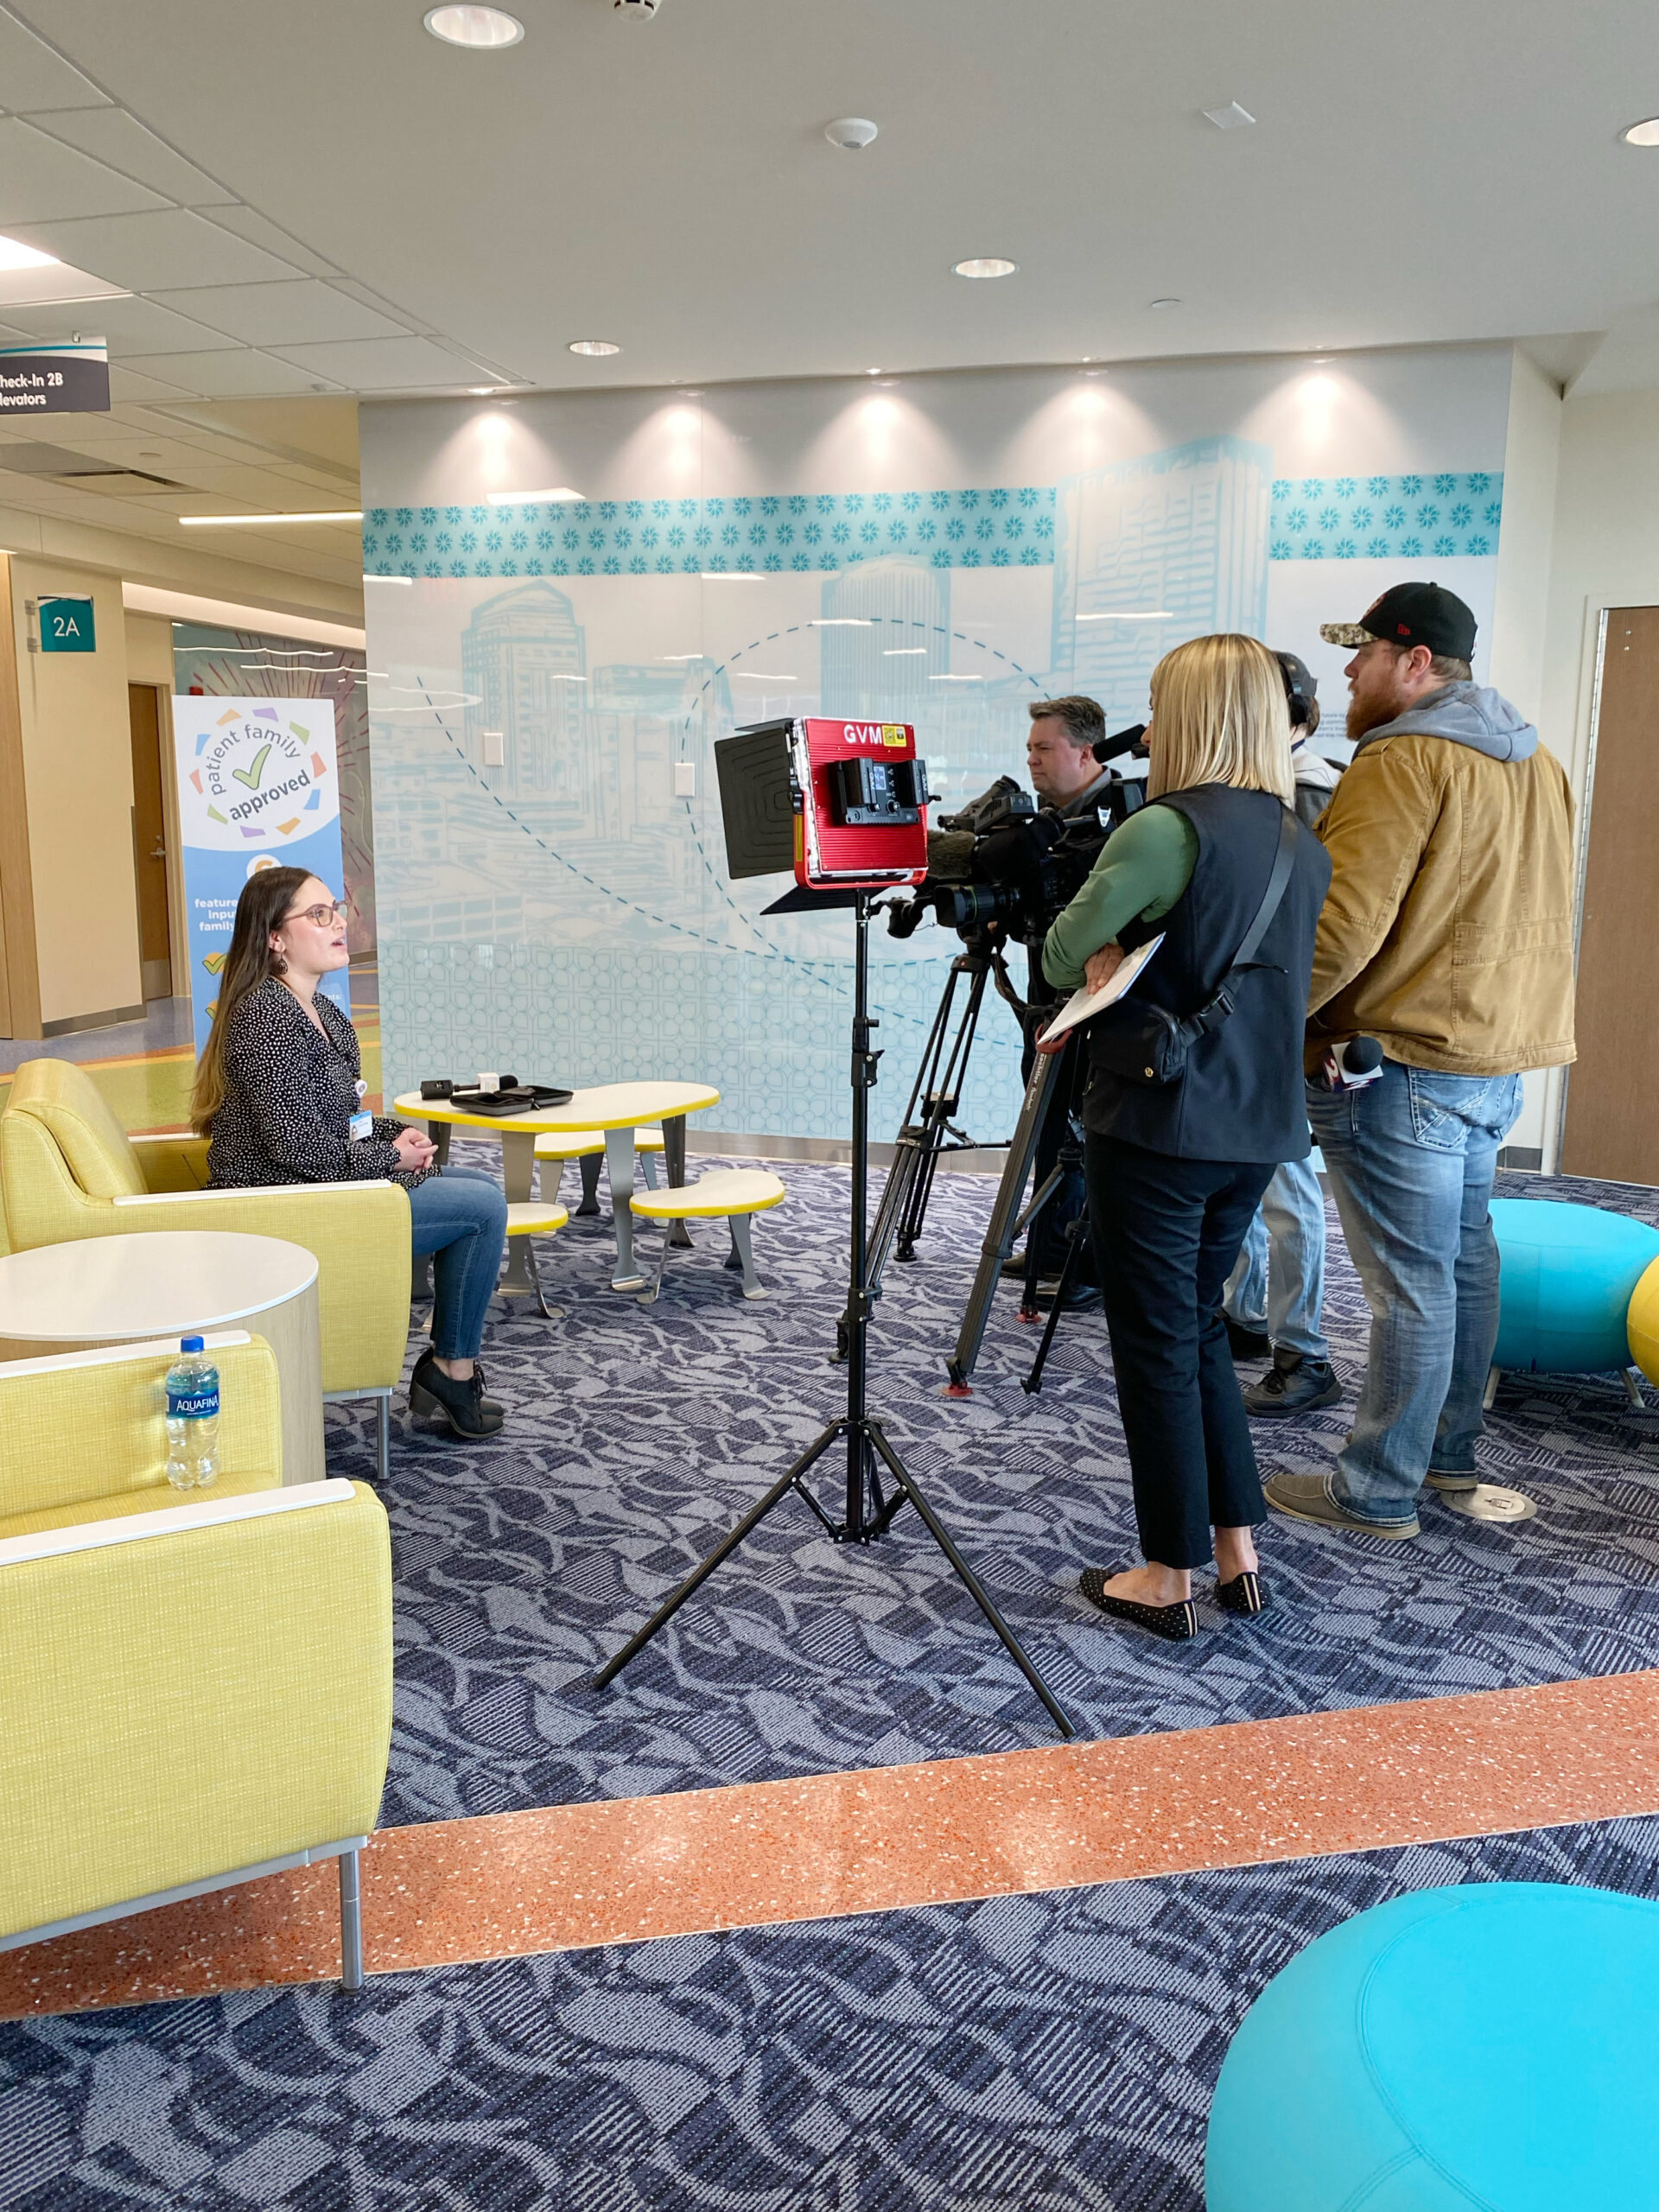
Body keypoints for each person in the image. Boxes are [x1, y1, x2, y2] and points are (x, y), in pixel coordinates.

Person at [1262, 582, 1576, 1539]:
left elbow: (1344, 925)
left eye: (1362, 654)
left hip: (1399, 1063)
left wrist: (1264, 1020)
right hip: (1495, 1058)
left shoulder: (1402, 760)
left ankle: (1377, 1488)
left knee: (1413, 1284)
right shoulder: (1538, 761)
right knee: (1463, 1261)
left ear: (1414, 662)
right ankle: (1446, 1459)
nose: (1348, 673)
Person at [1043, 635, 1331, 1639]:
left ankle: (1165, 1573)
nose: (1149, 727)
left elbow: (1058, 950)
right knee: (1200, 1325)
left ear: (1199, 715)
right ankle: (1236, 1552)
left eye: (1162, 705)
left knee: (1156, 1341)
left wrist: (1109, 951)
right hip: (1257, 1130)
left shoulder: (1165, 830)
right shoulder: (1304, 838)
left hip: (1162, 1122)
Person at [191, 864, 512, 1440]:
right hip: (283, 1207)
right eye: (318, 914)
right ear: (275, 937)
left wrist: (392, 1135)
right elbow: (301, 1149)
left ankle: (450, 1367)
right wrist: (391, 1161)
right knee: (483, 1211)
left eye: (335, 909)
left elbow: (341, 1119)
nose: (338, 922)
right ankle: (451, 1372)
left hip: (325, 1187)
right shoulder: (265, 1017)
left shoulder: (320, 1011)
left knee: (483, 1191)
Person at [1221, 652, 1344, 1415]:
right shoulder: (1252, 792)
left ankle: (1305, 1350)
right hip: (1247, 1014)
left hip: (1292, 1018)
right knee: (1245, 1178)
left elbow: (1334, 926)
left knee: (1288, 1189)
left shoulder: (1316, 793)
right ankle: (1245, 1314)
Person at [1006, 696, 1123, 1305]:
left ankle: (1085, 1260)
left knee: (1084, 1133)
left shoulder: (1125, 819)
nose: (1032, 760)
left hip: (1101, 1011)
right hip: (1045, 1000)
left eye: (1043, 748)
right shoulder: (1042, 825)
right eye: (1030, 749)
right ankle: (1051, 1242)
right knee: (1047, 1120)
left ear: (1086, 752)